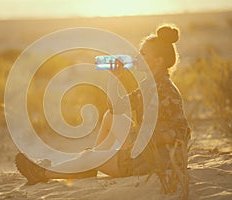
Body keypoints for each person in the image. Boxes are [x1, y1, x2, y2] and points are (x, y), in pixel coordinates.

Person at [15, 24, 191, 185]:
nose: (137, 57)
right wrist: (115, 79)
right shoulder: (150, 85)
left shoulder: (165, 91)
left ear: (159, 61)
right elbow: (116, 108)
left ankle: (43, 173)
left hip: (154, 159)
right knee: (109, 117)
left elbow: (178, 133)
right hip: (146, 147)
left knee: (91, 155)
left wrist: (141, 141)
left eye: (143, 54)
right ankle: (89, 165)